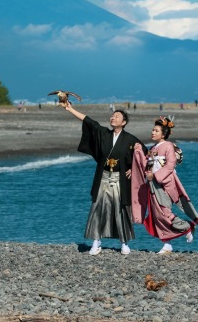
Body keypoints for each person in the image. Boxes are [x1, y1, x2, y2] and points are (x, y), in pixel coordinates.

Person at [62, 101, 146, 255]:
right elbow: (89, 121)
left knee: (121, 209)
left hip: (120, 179)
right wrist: (70, 109)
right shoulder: (104, 134)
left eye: (117, 116)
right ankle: (96, 241)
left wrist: (133, 170)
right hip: (103, 176)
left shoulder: (130, 140)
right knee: (98, 207)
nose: (113, 117)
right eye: (112, 115)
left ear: (124, 122)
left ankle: (124, 242)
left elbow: (143, 156)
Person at [132, 117, 198, 254]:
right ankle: (167, 244)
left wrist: (155, 175)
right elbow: (146, 164)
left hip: (164, 184)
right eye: (153, 130)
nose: (153, 132)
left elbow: (170, 164)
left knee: (165, 212)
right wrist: (138, 153)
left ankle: (187, 227)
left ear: (163, 134)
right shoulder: (152, 148)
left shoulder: (168, 146)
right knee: (156, 214)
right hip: (152, 185)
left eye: (156, 130)